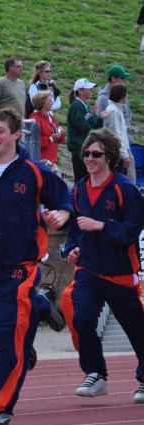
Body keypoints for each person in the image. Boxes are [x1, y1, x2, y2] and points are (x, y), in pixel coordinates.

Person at [0, 107, 72, 425]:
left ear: (16, 134)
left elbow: (64, 200)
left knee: (8, 334)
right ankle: (39, 306)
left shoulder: (33, 172)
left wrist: (61, 215)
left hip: (20, 266)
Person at [61, 128, 144, 404]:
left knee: (135, 327)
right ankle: (96, 373)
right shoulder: (80, 188)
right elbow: (74, 228)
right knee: (81, 317)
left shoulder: (125, 190)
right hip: (89, 268)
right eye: (86, 153)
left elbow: (131, 230)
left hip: (120, 271)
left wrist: (101, 226)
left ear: (108, 156)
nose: (89, 158)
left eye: (95, 154)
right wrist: (71, 249)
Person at [67, 78, 106, 181]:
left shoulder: (84, 105)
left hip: (85, 147)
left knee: (86, 179)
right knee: (81, 180)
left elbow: (91, 126)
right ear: (80, 91)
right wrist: (95, 116)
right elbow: (83, 128)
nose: (91, 91)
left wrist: (99, 118)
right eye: (88, 89)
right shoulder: (76, 106)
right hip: (79, 148)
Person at [96, 65, 134, 146]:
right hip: (113, 145)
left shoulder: (123, 94)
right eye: (123, 78)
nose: (125, 80)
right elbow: (101, 123)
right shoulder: (103, 98)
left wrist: (130, 134)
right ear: (113, 79)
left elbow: (128, 117)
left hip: (126, 144)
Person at [103, 85, 133, 176]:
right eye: (126, 94)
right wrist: (125, 156)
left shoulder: (116, 109)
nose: (127, 96)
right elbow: (115, 135)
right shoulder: (114, 111)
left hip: (116, 153)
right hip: (116, 155)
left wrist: (126, 129)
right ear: (122, 96)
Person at [29, 90, 65, 166]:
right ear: (42, 103)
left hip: (52, 159)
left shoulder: (50, 117)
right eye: (49, 101)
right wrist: (50, 138)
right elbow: (34, 142)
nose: (52, 102)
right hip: (41, 161)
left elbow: (60, 138)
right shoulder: (35, 119)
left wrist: (60, 133)